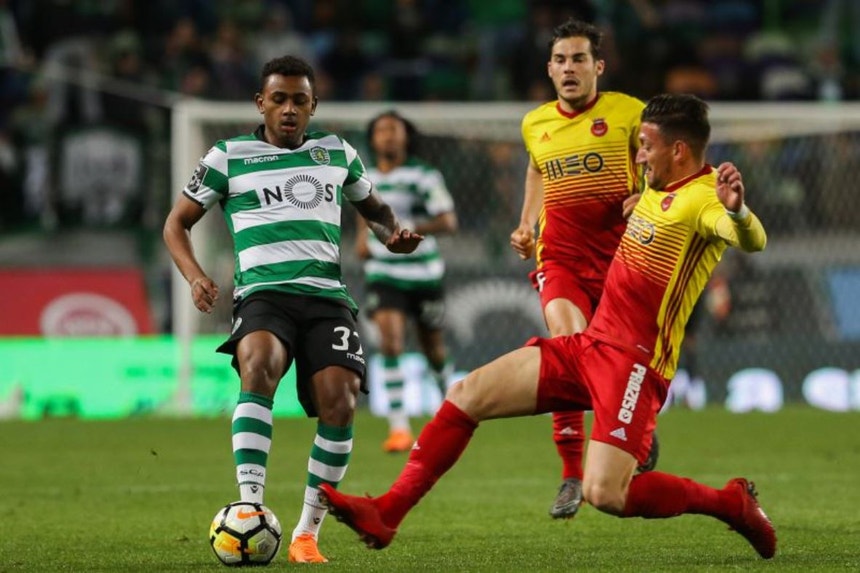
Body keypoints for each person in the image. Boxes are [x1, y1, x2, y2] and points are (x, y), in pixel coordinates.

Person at [319, 93, 777, 560]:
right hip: (588, 346)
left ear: (678, 151)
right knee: (467, 394)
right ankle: (388, 513)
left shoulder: (704, 198)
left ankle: (730, 503)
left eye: (645, 145)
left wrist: (737, 211)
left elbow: (751, 238)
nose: (639, 154)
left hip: (634, 365)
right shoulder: (657, 190)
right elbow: (561, 175)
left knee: (606, 494)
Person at [162, 55, 422, 564]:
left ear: (313, 106)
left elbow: (376, 210)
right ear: (260, 102)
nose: (288, 109)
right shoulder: (227, 155)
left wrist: (394, 236)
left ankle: (306, 533)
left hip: (326, 298)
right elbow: (176, 224)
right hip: (263, 294)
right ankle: (250, 507)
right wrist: (195, 276)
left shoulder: (337, 153)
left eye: (299, 100)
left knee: (342, 402)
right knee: (259, 364)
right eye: (278, 98)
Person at [509, 17, 656, 520]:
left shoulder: (630, 112)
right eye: (560, 60)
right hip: (562, 258)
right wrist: (527, 223)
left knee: (616, 360)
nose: (568, 68)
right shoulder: (535, 123)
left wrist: (649, 192)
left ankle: (631, 428)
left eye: (578, 59)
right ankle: (572, 473)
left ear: (598, 66)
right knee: (570, 350)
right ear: (549, 69)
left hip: (624, 258)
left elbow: (661, 160)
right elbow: (535, 167)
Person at [357, 110, 458, 453]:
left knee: (434, 349)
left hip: (424, 273)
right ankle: (399, 428)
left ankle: (448, 413)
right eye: (381, 130)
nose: (387, 136)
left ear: (405, 137)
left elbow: (448, 220)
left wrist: (411, 230)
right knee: (391, 342)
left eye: (394, 130)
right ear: (373, 138)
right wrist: (362, 237)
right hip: (384, 273)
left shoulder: (424, 176)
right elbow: (365, 212)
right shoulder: (364, 176)